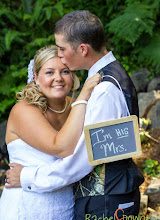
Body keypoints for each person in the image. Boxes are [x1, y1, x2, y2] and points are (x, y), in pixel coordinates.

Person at [6, 11, 144, 219]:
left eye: (62, 49)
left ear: (82, 49)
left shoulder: (103, 89)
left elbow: (82, 159)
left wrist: (27, 177)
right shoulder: (103, 83)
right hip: (89, 199)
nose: (60, 54)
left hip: (106, 198)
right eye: (49, 71)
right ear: (35, 77)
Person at [0, 45, 101, 220]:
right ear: (36, 78)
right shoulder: (23, 109)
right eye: (49, 72)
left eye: (65, 71)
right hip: (26, 208)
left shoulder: (75, 106)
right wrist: (84, 96)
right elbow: (61, 148)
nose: (58, 78)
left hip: (65, 208)